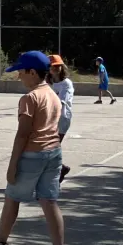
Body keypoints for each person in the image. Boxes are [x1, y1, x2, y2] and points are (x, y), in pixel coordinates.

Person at [0, 51, 72, 245]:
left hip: (32, 155)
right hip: (54, 152)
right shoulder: (53, 94)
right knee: (49, 201)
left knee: (12, 197)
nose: (19, 76)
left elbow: (23, 134)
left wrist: (12, 165)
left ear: (33, 72)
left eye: (21, 72)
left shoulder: (30, 98)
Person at [48, 54, 75, 182]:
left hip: (62, 119)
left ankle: (59, 171)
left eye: (58, 65)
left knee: (51, 148)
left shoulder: (66, 83)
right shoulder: (49, 83)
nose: (55, 68)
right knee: (48, 149)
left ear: (62, 67)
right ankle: (61, 169)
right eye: (52, 66)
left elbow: (61, 102)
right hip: (50, 119)